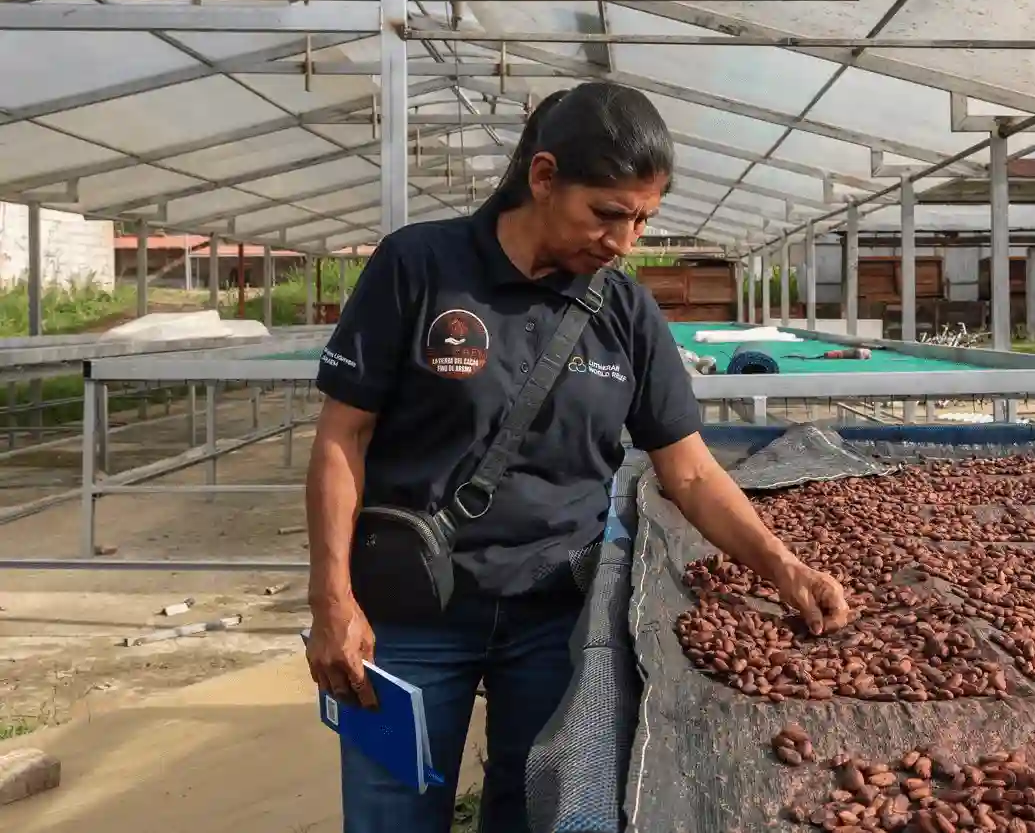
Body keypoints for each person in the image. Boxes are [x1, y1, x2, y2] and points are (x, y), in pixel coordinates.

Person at [302, 82, 851, 833]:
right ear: (543, 176)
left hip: (553, 616)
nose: (623, 241)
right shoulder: (419, 266)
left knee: (530, 809)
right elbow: (343, 436)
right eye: (608, 214)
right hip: (408, 613)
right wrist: (332, 597)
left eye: (642, 221)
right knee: (391, 813)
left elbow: (687, 471)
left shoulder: (624, 311)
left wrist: (783, 566)